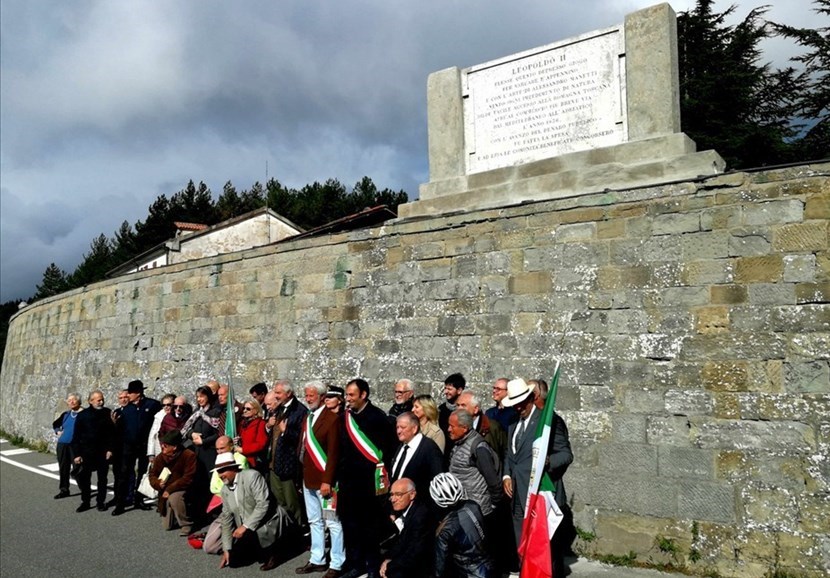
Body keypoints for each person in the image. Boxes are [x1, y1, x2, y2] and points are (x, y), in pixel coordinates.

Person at [501, 378, 572, 578]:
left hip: (540, 497)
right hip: (517, 497)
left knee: (546, 552)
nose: (518, 407)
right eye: (514, 403)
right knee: (522, 546)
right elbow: (509, 453)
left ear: (532, 398)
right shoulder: (513, 422)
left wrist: (546, 461)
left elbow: (566, 454)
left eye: (522, 402)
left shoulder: (549, 421)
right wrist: (507, 475)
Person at [337, 379, 397, 578]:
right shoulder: (345, 418)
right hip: (347, 483)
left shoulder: (378, 418)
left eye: (351, 395)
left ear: (363, 395)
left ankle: (372, 566)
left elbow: (386, 452)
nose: (348, 399)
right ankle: (356, 563)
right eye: (346, 395)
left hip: (368, 485)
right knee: (350, 527)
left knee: (369, 529)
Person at [446, 409, 508, 573]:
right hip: (466, 509)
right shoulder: (460, 444)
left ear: (465, 428)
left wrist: (493, 506)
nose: (449, 429)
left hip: (479, 510)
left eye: (452, 426)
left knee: (483, 556)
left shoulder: (478, 447)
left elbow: (493, 481)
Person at [296, 381, 345, 578]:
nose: (308, 399)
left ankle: (337, 562)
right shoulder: (307, 418)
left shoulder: (332, 419)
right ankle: (317, 559)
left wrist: (328, 480)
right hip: (309, 477)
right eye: (306, 396)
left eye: (311, 396)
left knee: (332, 522)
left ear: (322, 397)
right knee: (314, 520)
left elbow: (334, 453)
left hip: (325, 480)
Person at [214, 453, 291, 571]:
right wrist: (226, 548)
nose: (220, 475)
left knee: (263, 553)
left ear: (234, 468)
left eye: (223, 471)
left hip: (267, 521)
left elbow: (263, 504)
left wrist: (245, 526)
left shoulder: (252, 476)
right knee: (234, 561)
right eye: (218, 472)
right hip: (248, 527)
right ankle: (259, 549)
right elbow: (226, 518)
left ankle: (279, 546)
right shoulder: (225, 490)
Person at [430, 473, 495, 578]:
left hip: (467, 572)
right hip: (489, 564)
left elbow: (440, 565)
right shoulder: (473, 505)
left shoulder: (445, 529)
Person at [112, 380, 161, 515]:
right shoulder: (127, 409)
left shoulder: (152, 405)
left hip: (144, 446)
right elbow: (120, 429)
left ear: (138, 393)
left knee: (142, 473)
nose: (128, 395)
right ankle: (120, 503)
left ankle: (138, 500)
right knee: (124, 473)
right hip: (128, 447)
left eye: (131, 393)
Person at [268, 380, 307, 526]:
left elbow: (302, 438)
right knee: (279, 501)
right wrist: (268, 426)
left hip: (287, 465)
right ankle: (285, 530)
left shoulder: (299, 410)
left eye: (278, 393)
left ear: (288, 393)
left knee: (292, 503)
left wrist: (287, 431)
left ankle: (298, 530)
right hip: (274, 463)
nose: (275, 396)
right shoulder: (278, 408)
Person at [379, 478, 436, 578]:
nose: (393, 499)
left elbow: (414, 553)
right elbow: (402, 542)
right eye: (392, 494)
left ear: (412, 494)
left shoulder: (420, 517)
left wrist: (389, 567)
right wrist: (388, 559)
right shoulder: (409, 511)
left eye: (398, 494)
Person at [181, 384, 222, 512]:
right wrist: (192, 434)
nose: (199, 399)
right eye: (197, 397)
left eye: (202, 396)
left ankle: (214, 511)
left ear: (208, 397)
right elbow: (187, 428)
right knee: (199, 480)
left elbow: (218, 433)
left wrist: (203, 441)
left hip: (209, 452)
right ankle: (201, 510)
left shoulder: (215, 412)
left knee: (211, 481)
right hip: (197, 452)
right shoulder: (196, 413)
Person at [71, 390, 113, 512]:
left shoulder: (107, 413)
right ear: (90, 401)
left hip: (103, 452)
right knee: (85, 478)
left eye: (102, 399)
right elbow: (76, 436)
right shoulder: (83, 415)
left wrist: (110, 449)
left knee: (102, 478)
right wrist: (77, 454)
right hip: (86, 452)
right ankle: (85, 502)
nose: (101, 402)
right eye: (98, 400)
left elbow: (111, 433)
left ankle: (101, 501)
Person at [149, 430, 197, 536]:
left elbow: (188, 477)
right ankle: (174, 512)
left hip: (182, 487)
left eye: (165, 446)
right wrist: (157, 483)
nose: (162, 448)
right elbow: (152, 474)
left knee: (174, 498)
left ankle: (186, 524)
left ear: (174, 447)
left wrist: (170, 489)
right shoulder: (160, 457)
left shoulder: (188, 455)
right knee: (167, 527)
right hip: (164, 489)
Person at [389, 412, 443, 498]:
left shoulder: (429, 448)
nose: (398, 431)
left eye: (403, 427)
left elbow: (437, 480)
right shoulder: (402, 446)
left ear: (414, 428)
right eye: (397, 427)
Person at [456, 392, 506, 463]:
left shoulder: (492, 427)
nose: (459, 409)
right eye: (458, 405)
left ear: (475, 409)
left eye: (463, 405)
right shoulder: (454, 427)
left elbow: (502, 453)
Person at [52, 392, 82, 499]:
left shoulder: (84, 414)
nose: (71, 402)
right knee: (63, 468)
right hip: (63, 444)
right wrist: (57, 431)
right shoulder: (66, 414)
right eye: (69, 401)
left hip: (76, 446)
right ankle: (64, 490)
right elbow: (55, 424)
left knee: (78, 468)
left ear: (78, 400)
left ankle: (84, 488)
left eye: (73, 400)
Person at [238, 399, 269, 472]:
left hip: (253, 461)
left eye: (248, 409)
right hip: (242, 459)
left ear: (255, 411)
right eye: (244, 408)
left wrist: (243, 450)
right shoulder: (243, 423)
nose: (244, 411)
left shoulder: (260, 423)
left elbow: (261, 444)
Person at [147, 393, 175, 464]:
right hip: (159, 450)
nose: (166, 407)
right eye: (163, 405)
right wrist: (151, 454)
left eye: (169, 405)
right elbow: (152, 435)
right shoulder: (158, 417)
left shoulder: (179, 416)